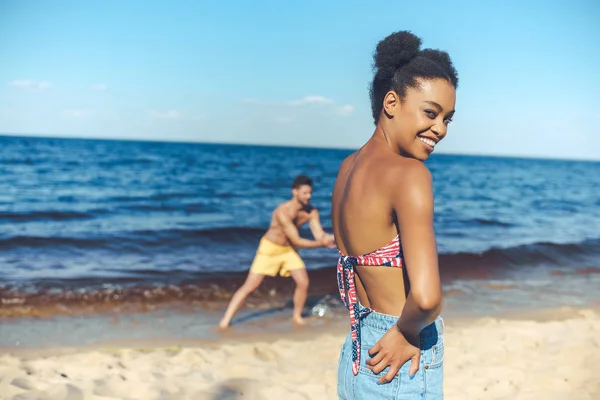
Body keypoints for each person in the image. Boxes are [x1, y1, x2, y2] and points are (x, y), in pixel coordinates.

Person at [331, 31, 458, 399]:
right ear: (391, 102)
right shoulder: (409, 175)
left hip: (356, 350)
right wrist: (406, 332)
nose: (441, 129)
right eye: (431, 113)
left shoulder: (346, 169)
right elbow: (427, 298)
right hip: (398, 353)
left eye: (448, 118)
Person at [219, 174, 335, 329]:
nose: (309, 196)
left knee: (303, 282)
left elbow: (319, 234)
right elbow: (297, 240)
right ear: (295, 192)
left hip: (288, 251)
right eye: (305, 193)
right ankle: (225, 321)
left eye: (310, 193)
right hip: (270, 249)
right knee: (250, 286)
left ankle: (297, 317)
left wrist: (332, 237)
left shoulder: (311, 212)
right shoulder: (283, 211)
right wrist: (320, 244)